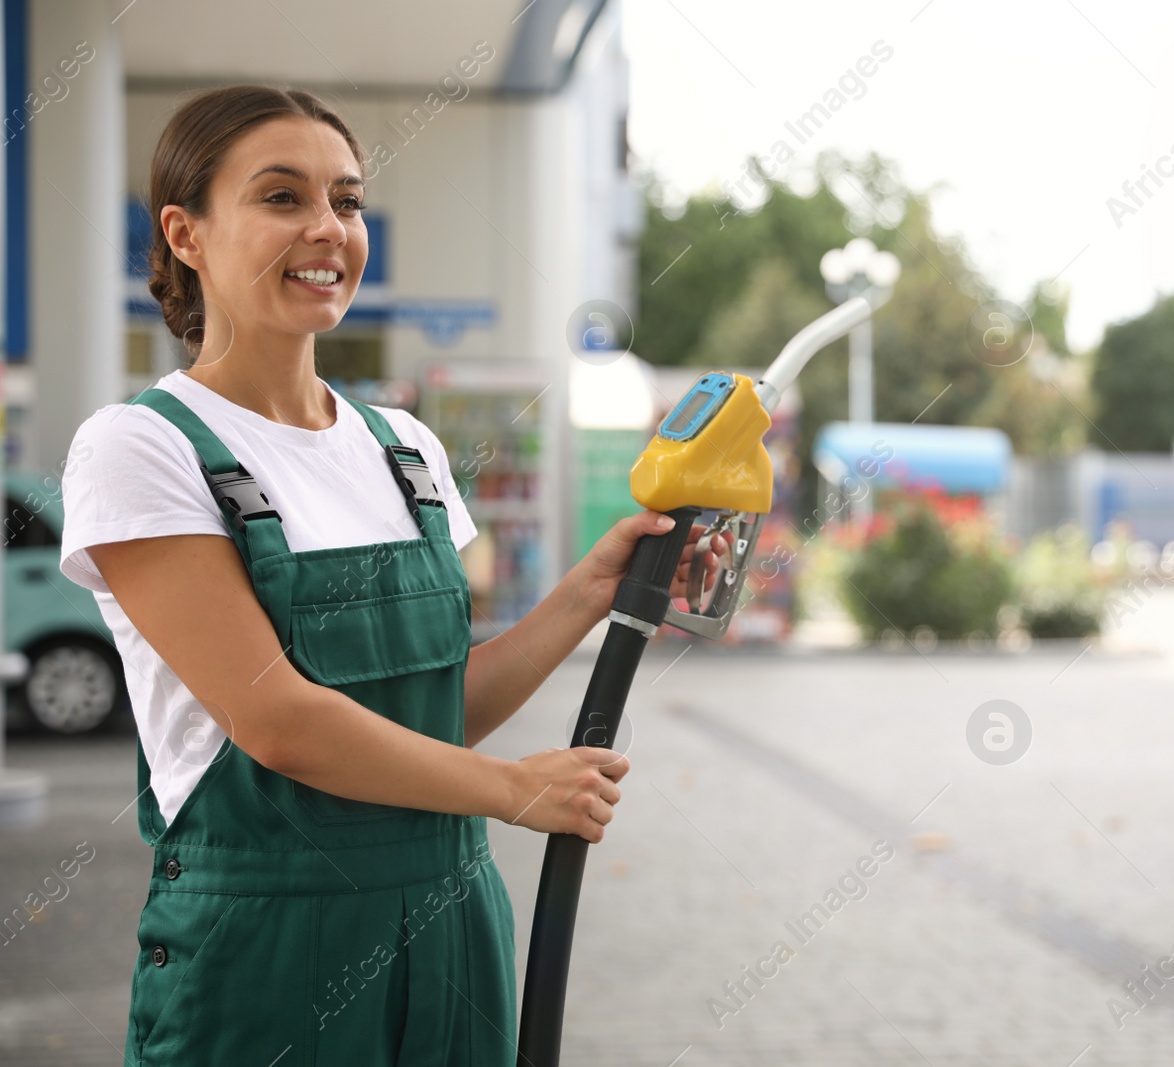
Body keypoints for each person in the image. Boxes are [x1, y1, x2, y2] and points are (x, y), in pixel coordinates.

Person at [56, 85, 726, 1065]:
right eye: (282, 197)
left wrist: (594, 587)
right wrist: (507, 789)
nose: (327, 228)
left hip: (452, 926)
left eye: (348, 199)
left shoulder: (402, 447)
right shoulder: (141, 448)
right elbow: (277, 719)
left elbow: (431, 717)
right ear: (186, 232)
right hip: (265, 946)